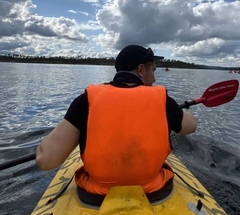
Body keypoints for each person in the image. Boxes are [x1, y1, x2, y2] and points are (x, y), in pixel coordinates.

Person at [36, 44, 197, 205]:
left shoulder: (87, 100)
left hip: (95, 196)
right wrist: (174, 110)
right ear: (141, 69)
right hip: (154, 193)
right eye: (153, 71)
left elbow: (46, 160)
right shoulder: (162, 99)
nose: (154, 79)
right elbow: (191, 126)